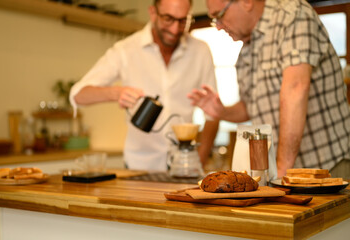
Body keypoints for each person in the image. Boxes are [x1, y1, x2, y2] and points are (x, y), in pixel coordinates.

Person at [188, 0, 350, 177]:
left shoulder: (292, 16)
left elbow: (296, 88)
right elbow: (250, 108)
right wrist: (222, 111)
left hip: (327, 166)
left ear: (246, 2)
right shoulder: (246, 51)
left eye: (219, 16)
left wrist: (280, 173)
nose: (218, 27)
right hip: (284, 172)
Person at [69, 0, 219, 171]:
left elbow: (213, 114)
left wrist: (199, 160)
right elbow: (77, 95)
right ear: (153, 12)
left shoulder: (200, 51)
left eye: (183, 20)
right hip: (138, 167)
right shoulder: (126, 50)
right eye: (168, 19)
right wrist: (116, 93)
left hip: (184, 167)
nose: (175, 29)